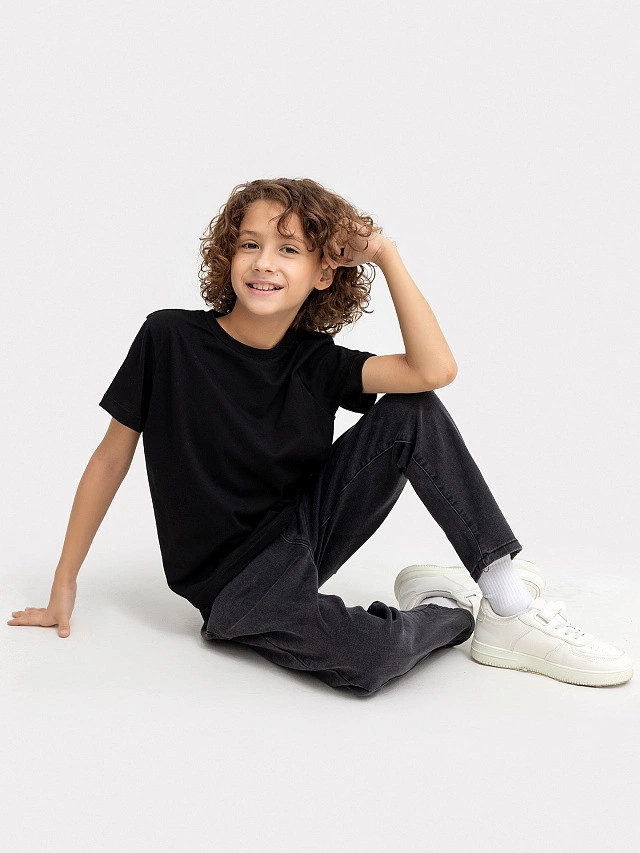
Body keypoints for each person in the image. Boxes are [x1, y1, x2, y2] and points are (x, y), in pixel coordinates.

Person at [8, 177, 633, 695]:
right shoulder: (169, 339)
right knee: (369, 661)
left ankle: (507, 599)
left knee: (412, 410)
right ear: (227, 256)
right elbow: (111, 457)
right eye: (249, 244)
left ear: (323, 273)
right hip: (232, 585)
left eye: (289, 249)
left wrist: (385, 254)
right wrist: (65, 582)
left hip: (305, 533)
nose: (264, 262)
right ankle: (453, 611)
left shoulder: (317, 362)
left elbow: (434, 371)